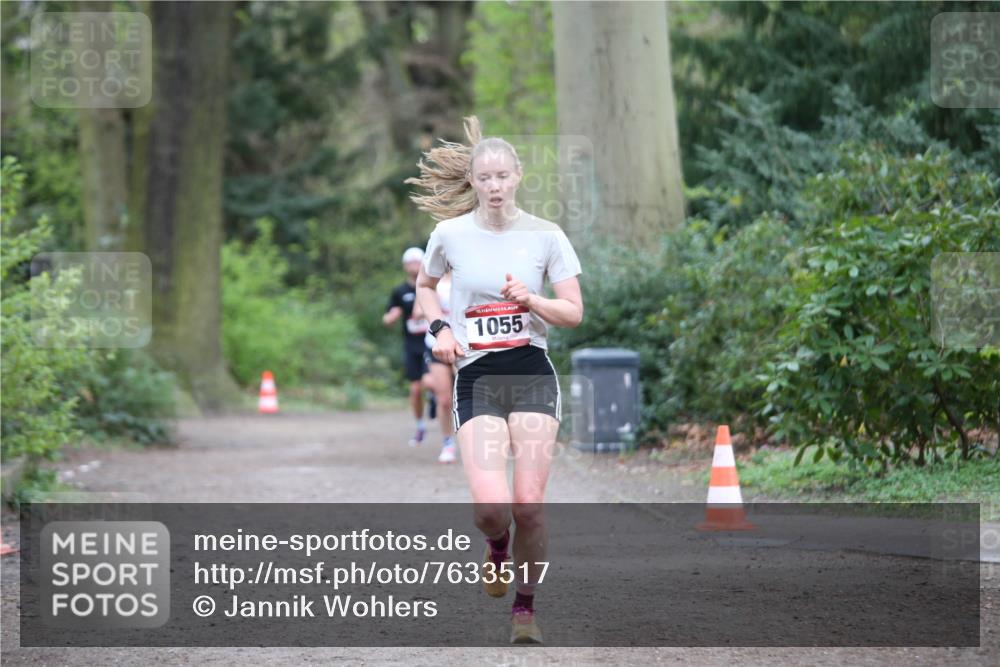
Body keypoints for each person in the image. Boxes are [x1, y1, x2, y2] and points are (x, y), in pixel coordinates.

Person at [408, 117, 583, 644]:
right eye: (485, 178)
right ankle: (497, 549)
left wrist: (532, 300)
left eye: (503, 175)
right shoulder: (450, 235)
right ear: (474, 182)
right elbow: (426, 286)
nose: (495, 186)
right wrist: (439, 327)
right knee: (491, 510)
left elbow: (573, 312)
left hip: (530, 371)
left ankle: (525, 612)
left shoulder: (546, 236)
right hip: (477, 376)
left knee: (529, 505)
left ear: (518, 176)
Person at [383, 247, 433, 446]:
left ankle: (436, 400)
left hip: (431, 343)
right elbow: (388, 315)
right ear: (405, 266)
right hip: (411, 345)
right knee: (415, 389)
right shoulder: (400, 291)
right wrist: (391, 318)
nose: (414, 266)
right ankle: (420, 426)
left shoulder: (431, 286)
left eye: (417, 262)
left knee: (431, 383)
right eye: (410, 263)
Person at [413, 271, 457, 463]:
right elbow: (416, 313)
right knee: (445, 400)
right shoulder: (431, 280)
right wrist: (434, 305)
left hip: (464, 344)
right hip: (436, 345)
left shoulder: (467, 274)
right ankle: (448, 442)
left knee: (471, 396)